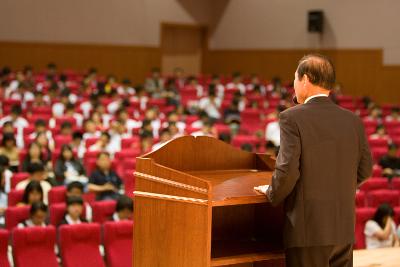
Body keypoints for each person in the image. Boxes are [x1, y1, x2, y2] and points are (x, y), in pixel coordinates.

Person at [258, 54, 372, 267]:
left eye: (294, 79)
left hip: (308, 228)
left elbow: (287, 170)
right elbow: (365, 169)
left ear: (305, 79)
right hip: (343, 228)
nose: (293, 85)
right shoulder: (353, 120)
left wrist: (271, 193)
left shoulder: (292, 117)